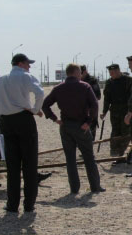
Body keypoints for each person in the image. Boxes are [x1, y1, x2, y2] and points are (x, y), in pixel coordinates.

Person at [0, 53, 45, 213]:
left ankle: (12, 204)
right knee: (29, 164)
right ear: (21, 63)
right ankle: (29, 204)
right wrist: (34, 109)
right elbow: (40, 93)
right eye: (28, 63)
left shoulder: (1, 80)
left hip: (6, 123)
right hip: (24, 119)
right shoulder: (26, 76)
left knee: (12, 166)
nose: (29, 66)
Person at [43, 64, 105, 194]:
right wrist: (89, 122)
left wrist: (55, 119)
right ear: (76, 72)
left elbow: (45, 105)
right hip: (81, 125)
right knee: (89, 157)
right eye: (80, 72)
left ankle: (74, 188)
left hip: (65, 125)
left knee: (70, 159)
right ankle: (95, 186)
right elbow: (94, 105)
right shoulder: (85, 86)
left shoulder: (58, 88)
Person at [101, 63, 132, 162]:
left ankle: (127, 154)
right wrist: (104, 112)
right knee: (115, 132)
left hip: (126, 111)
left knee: (126, 132)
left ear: (118, 71)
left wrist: (131, 111)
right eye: (110, 73)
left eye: (113, 73)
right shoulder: (109, 82)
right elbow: (107, 99)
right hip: (114, 112)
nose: (111, 75)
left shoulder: (128, 80)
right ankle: (116, 155)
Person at [80, 65, 101, 140]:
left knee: (91, 129)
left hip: (91, 108)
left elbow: (98, 96)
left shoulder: (92, 80)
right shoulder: (77, 80)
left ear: (85, 71)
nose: (79, 75)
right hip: (80, 110)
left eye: (81, 73)